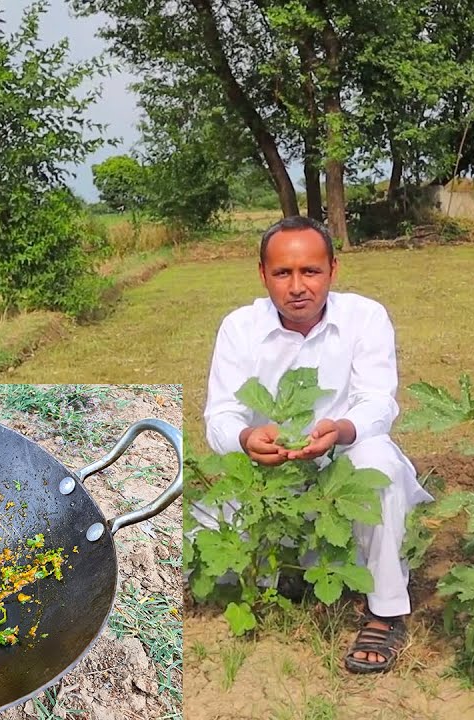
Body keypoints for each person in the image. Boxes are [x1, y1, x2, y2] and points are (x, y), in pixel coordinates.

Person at [193, 214, 432, 674]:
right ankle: (302, 568)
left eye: (311, 272)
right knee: (201, 554)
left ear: (333, 271)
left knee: (375, 455)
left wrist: (341, 430)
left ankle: (385, 610)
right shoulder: (239, 328)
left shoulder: (366, 317)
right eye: (283, 273)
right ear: (263, 274)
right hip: (275, 481)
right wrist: (245, 438)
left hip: (344, 475)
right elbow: (220, 415)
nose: (297, 286)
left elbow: (378, 403)